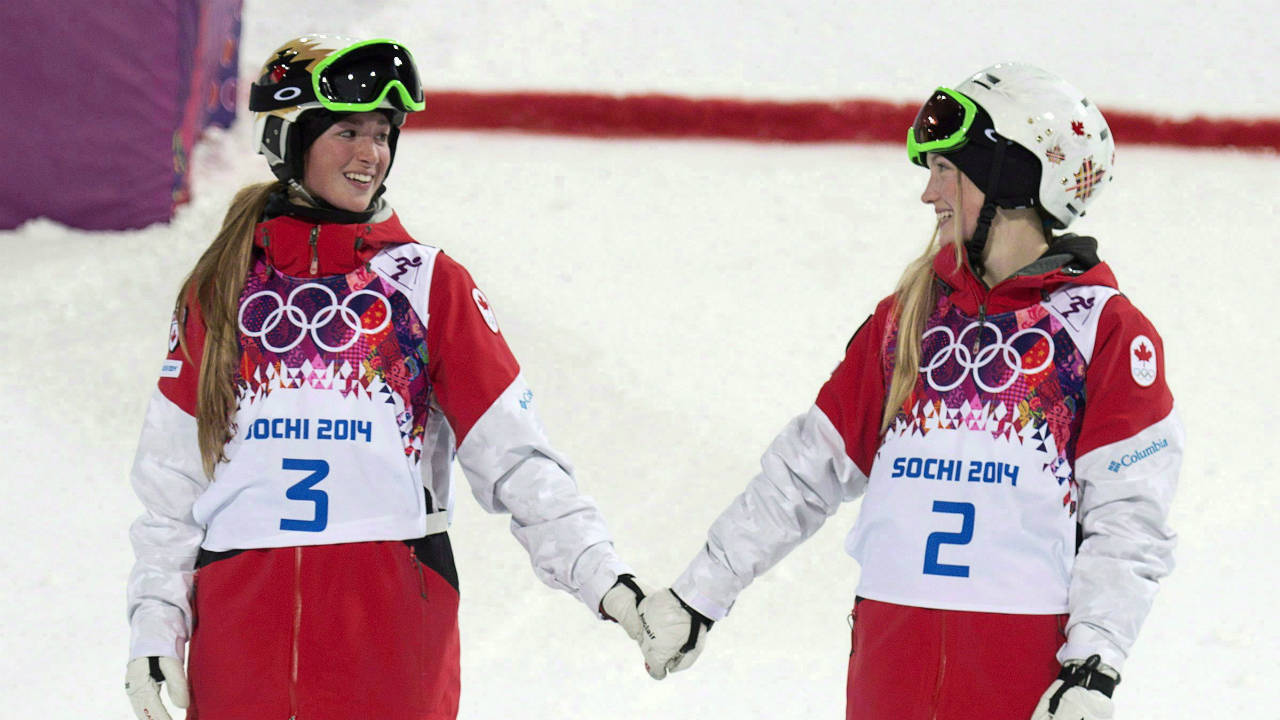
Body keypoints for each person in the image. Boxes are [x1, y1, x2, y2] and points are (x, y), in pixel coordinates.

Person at [631, 63, 1182, 720]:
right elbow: (803, 474)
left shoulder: (1104, 330)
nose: (929, 193)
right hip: (890, 668)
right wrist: (699, 595)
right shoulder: (905, 322)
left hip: (1020, 677)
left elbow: (1128, 519)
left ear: (1013, 177)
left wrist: (1093, 666)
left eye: (949, 169)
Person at [124, 35, 648, 720]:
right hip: (238, 636)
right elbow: (171, 488)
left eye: (382, 134)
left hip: (387, 635)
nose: (371, 154)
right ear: (289, 136)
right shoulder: (219, 289)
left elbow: (517, 459)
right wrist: (153, 629)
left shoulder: (428, 285)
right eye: (348, 132)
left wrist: (608, 581)